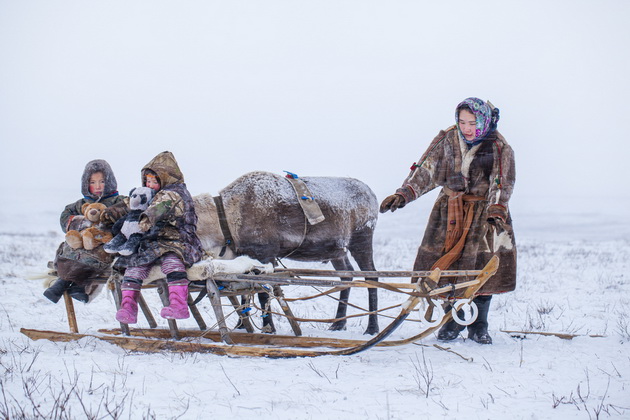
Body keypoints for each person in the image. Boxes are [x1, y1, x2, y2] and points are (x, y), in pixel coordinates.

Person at [380, 97, 516, 344]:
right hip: (449, 213)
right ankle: (452, 322)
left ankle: (479, 326)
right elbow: (425, 170)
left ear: (484, 121)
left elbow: (502, 181)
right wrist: (404, 194)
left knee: (482, 269)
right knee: (444, 268)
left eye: (473, 122)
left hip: (485, 215)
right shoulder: (447, 140)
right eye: (462, 121)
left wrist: (496, 210)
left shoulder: (498, 147)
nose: (467, 128)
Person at [114, 151, 203, 324]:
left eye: (155, 181)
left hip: (178, 240)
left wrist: (145, 219)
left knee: (172, 262)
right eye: (148, 181)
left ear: (166, 179)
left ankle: (179, 305)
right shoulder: (147, 193)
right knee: (134, 266)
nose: (151, 185)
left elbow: (160, 207)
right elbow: (130, 203)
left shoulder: (175, 193)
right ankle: (128, 307)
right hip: (152, 243)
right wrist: (111, 213)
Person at [44, 159, 127, 303]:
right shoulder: (80, 204)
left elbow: (129, 212)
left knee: (98, 253)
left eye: (102, 181)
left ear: (110, 181)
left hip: (104, 246)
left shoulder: (119, 200)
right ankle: (74, 287)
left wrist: (108, 220)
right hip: (79, 245)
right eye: (93, 182)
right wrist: (82, 223)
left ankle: (65, 284)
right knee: (69, 247)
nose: (98, 186)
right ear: (86, 184)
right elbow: (65, 218)